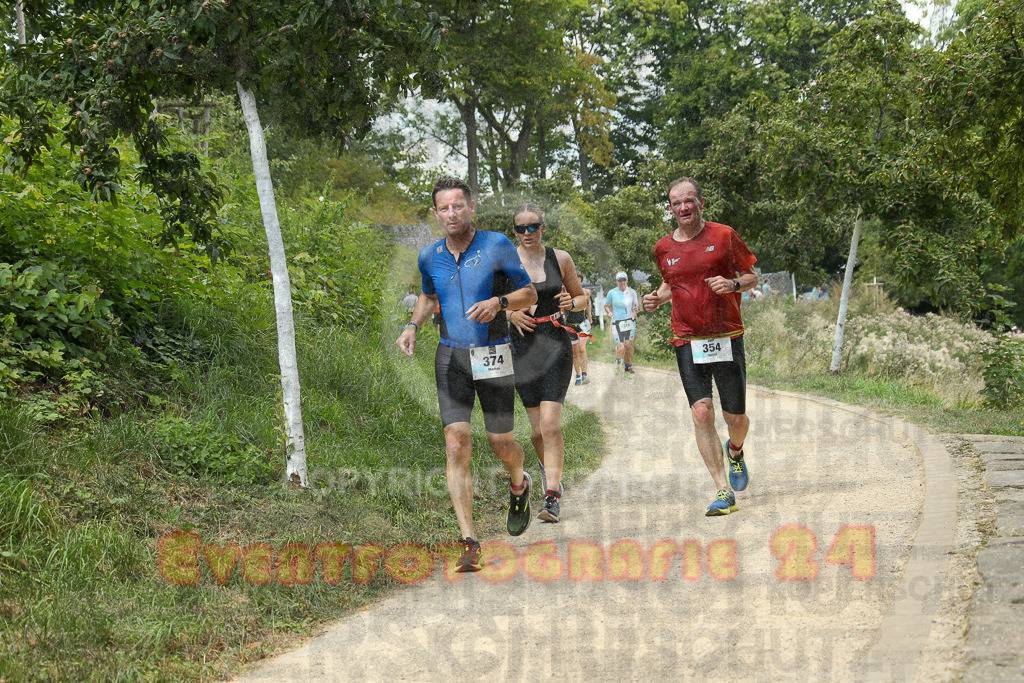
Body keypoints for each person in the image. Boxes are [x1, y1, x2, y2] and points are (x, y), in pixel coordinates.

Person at [396, 176, 538, 571]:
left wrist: (499, 302)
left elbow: (529, 294)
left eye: (458, 205)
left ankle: (520, 483)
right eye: (444, 207)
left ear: (471, 207)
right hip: (451, 356)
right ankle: (469, 541)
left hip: (493, 353)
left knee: (500, 443)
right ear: (437, 213)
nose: (452, 213)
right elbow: (428, 295)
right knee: (457, 443)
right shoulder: (429, 256)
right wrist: (412, 326)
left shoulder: (496, 245)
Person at [642, 176, 758, 517]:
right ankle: (723, 489)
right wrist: (656, 299)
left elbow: (752, 275)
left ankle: (735, 450)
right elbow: (671, 284)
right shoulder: (663, 247)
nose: (683, 208)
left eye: (688, 201)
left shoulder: (724, 236)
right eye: (676, 203)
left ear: (701, 203)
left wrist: (733, 282)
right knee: (702, 412)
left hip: (726, 336)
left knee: (735, 417)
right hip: (686, 339)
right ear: (670, 208)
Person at [506, 203, 588, 523]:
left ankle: (551, 496)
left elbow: (581, 298)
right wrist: (511, 314)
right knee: (537, 432)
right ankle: (548, 473)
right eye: (520, 228)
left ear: (543, 227)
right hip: (521, 349)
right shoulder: (505, 261)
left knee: (551, 425)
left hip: (554, 343)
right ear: (515, 231)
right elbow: (490, 303)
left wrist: (573, 301)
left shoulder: (561, 258)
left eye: (533, 227)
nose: (527, 233)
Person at [604, 272, 639, 374]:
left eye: (624, 280)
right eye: (620, 280)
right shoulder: (612, 292)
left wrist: (636, 310)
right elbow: (606, 305)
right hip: (617, 322)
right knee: (621, 348)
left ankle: (628, 367)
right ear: (617, 282)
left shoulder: (632, 292)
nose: (622, 282)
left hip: (629, 321)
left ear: (627, 281)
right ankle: (618, 360)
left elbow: (636, 306)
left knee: (629, 345)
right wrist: (609, 312)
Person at [565, 287, 593, 385]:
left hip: (582, 324)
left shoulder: (586, 292)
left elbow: (588, 303)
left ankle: (584, 374)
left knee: (581, 349)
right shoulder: (567, 292)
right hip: (570, 325)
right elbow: (561, 306)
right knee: (575, 352)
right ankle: (578, 375)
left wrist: (590, 316)